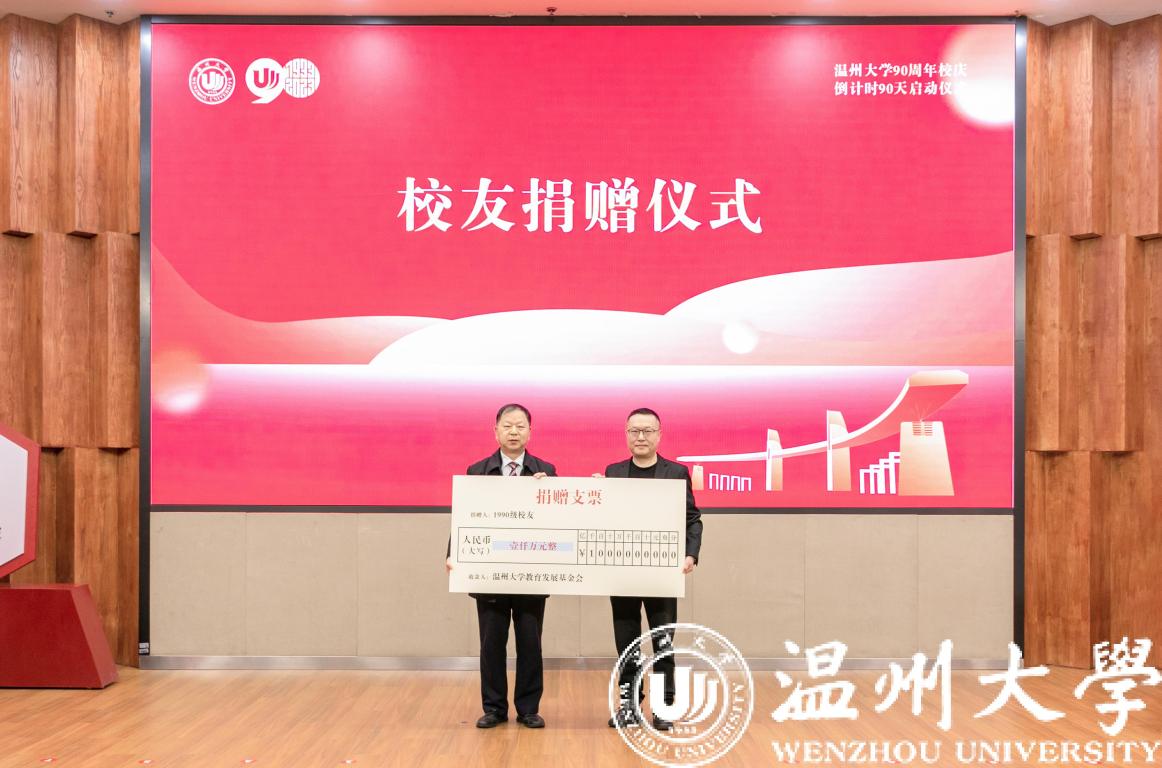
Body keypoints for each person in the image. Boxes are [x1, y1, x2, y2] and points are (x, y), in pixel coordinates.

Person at [446, 403, 555, 729]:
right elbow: (464, 518)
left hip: (531, 573)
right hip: (490, 573)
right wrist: (453, 553)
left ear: (530, 432)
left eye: (520, 426)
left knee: (530, 644)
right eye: (507, 426)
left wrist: (547, 491)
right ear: (495, 431)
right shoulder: (478, 470)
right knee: (491, 645)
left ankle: (528, 708)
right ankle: (494, 708)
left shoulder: (545, 471)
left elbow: (557, 521)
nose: (513, 432)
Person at [601, 407, 703, 730]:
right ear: (626, 434)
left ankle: (663, 708)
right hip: (623, 573)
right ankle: (629, 707)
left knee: (663, 644)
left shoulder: (676, 473)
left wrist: (690, 554)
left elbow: (692, 519)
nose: (641, 437)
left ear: (659, 435)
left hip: (662, 573)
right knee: (627, 645)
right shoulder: (614, 472)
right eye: (635, 431)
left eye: (647, 431)